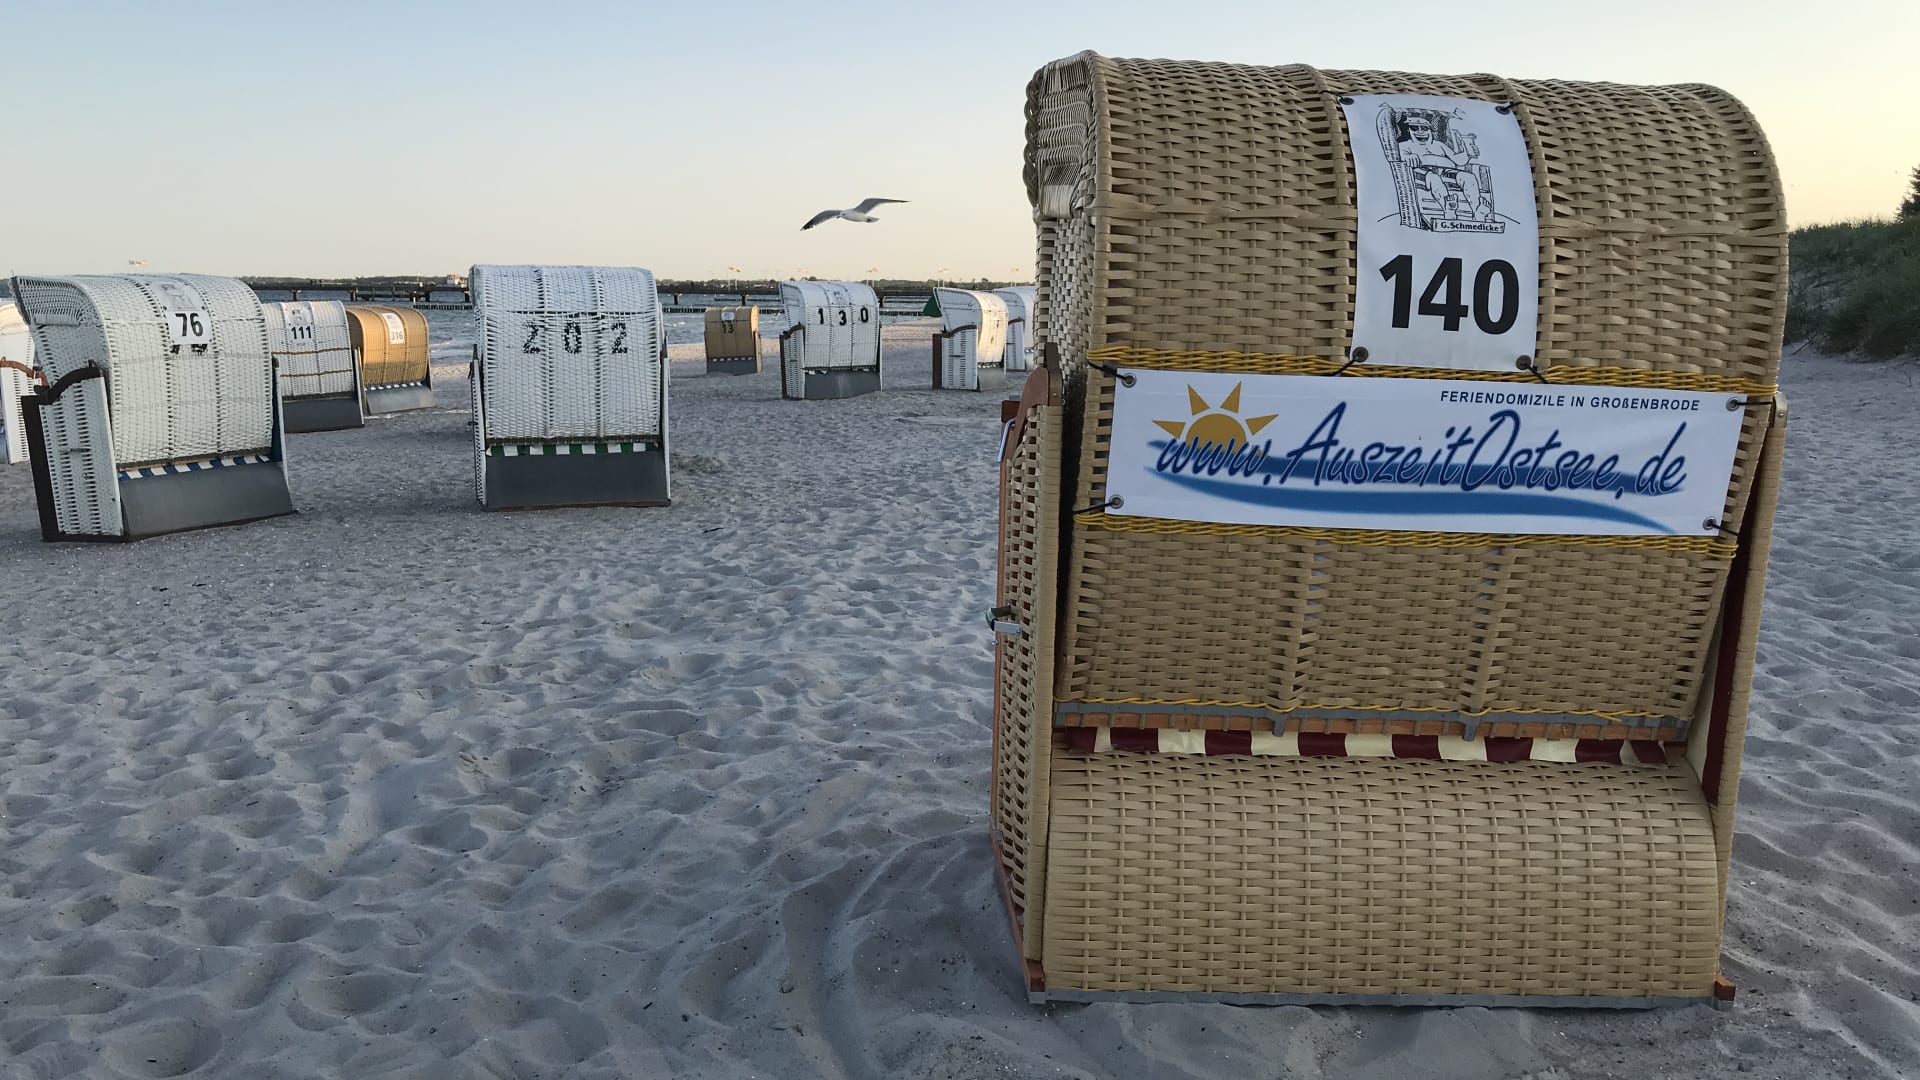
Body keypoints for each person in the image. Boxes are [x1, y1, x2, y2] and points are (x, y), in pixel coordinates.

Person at [1396, 113, 1489, 221]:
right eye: (1415, 128)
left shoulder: (1438, 145)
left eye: (1424, 128)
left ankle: (1478, 211)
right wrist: (1409, 157)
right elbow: (1402, 158)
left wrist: (1468, 153)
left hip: (1445, 172)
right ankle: (1448, 208)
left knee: (1468, 177)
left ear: (1430, 130)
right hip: (1423, 173)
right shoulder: (1405, 145)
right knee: (1434, 178)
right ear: (1409, 130)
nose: (1420, 132)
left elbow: (1458, 160)